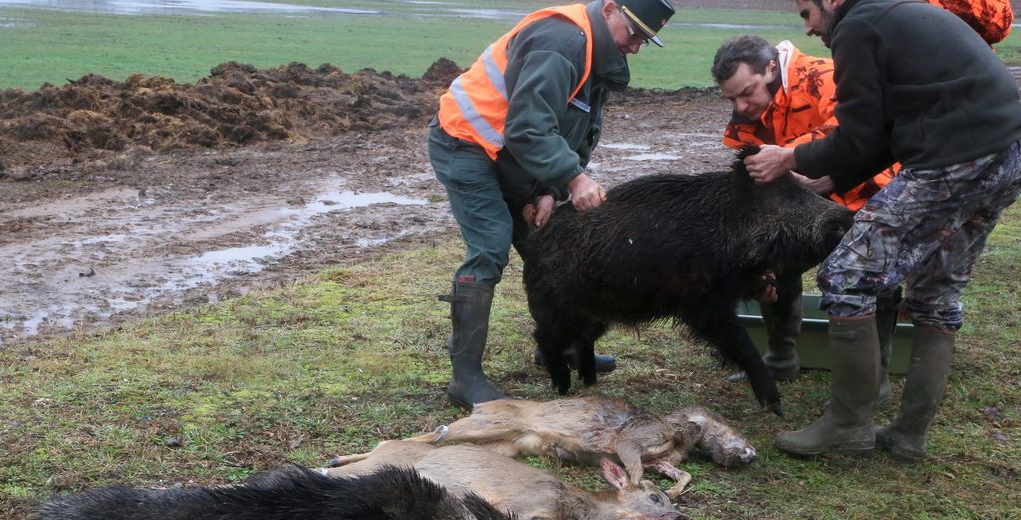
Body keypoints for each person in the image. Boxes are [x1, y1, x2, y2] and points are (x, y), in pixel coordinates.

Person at [745, 0, 1021, 461]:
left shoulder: (858, 25)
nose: (809, 29)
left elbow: (857, 134)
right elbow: (884, 131)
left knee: (844, 276)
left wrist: (789, 157)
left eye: (806, 14)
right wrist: (835, 177)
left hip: (954, 159)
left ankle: (849, 425)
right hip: (1004, 156)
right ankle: (909, 434)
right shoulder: (893, 15)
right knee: (937, 292)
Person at [429, 0, 676, 409]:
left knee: (550, 244)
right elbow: (527, 128)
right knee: (491, 245)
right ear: (611, 8)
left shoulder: (598, 53)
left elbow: (575, 131)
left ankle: (557, 347)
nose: (635, 46)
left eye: (645, 41)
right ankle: (465, 379)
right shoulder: (560, 41)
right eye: (633, 33)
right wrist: (575, 180)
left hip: (510, 152)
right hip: (466, 142)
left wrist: (548, 189)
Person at [711, 35, 901, 401]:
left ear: (770, 68)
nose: (741, 105)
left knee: (875, 278)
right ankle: (780, 357)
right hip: (801, 206)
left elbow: (864, 132)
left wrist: (795, 158)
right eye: (731, 98)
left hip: (868, 194)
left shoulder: (827, 76)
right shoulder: (749, 113)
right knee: (772, 259)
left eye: (747, 92)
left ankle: (876, 378)